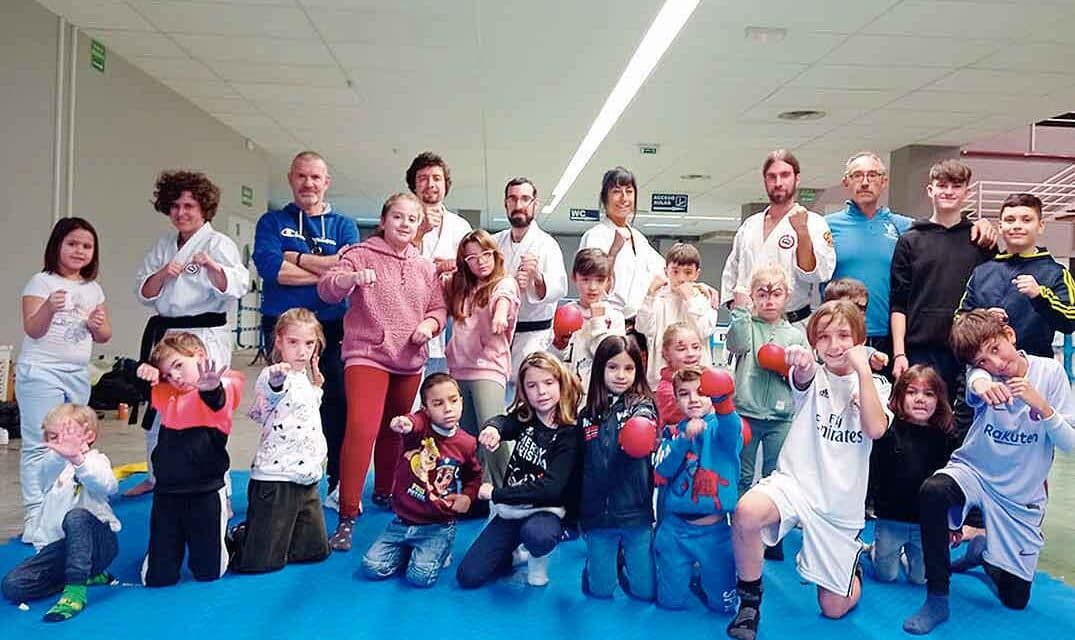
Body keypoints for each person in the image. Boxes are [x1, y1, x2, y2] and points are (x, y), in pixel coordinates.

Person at [727, 300, 891, 640]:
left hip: (838, 506)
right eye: (824, 337)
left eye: (844, 335)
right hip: (795, 484)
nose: (835, 345)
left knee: (833, 609)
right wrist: (801, 361)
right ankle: (749, 603)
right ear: (814, 343)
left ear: (860, 340)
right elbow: (802, 375)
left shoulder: (878, 386)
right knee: (746, 512)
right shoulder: (814, 377)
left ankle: (851, 570)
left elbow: (875, 429)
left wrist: (863, 372)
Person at [904, 310, 1075, 634]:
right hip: (976, 473)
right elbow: (974, 379)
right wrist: (981, 381)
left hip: (1020, 495)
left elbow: (1069, 443)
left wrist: (1043, 407)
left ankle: (982, 552)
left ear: (1009, 336)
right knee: (934, 491)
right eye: (983, 360)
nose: (995, 364)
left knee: (1015, 600)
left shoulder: (1051, 373)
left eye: (996, 350)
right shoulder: (982, 378)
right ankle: (937, 597)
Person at [317, 193, 447, 550]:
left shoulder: (424, 266)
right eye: (398, 217)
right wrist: (350, 279)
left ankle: (386, 492)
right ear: (384, 220)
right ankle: (347, 515)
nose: (405, 224)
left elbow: (439, 308)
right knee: (362, 428)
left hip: (409, 358)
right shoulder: (359, 253)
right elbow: (327, 288)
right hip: (367, 353)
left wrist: (431, 326)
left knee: (396, 429)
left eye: (412, 219)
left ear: (420, 224)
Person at [128, 170, 249, 497]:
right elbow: (143, 291)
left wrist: (212, 267)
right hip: (167, 335)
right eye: (176, 206)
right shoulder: (164, 246)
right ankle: (157, 474)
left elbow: (239, 284)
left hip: (205, 336)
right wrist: (164, 274)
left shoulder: (217, 243)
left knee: (202, 406)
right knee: (159, 404)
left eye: (189, 206)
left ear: (204, 208)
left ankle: (212, 480)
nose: (181, 213)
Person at [252, 151, 359, 508]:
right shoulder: (272, 221)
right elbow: (270, 268)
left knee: (336, 403)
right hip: (281, 326)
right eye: (302, 176)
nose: (308, 183)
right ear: (290, 179)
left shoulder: (344, 225)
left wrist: (293, 257)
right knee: (281, 401)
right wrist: (325, 268)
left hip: (331, 325)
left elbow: (344, 274)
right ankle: (278, 475)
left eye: (316, 177)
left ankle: (337, 482)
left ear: (327, 182)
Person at [827, 151, 994, 368]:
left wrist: (982, 224)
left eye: (872, 175)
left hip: (889, 338)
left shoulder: (905, 228)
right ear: (846, 181)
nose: (865, 182)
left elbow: (942, 229)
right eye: (857, 175)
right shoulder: (825, 226)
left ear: (884, 181)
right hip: (841, 335)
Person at [16, 217, 111, 545]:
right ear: (57, 245)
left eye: (86, 246)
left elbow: (104, 335)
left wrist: (97, 324)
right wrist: (48, 309)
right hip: (41, 371)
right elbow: (33, 329)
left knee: (76, 439)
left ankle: (67, 504)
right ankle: (35, 511)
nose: (79, 251)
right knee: (40, 442)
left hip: (78, 373)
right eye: (72, 243)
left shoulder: (93, 289)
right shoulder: (40, 282)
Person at [456, 353, 582, 589]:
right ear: (523, 390)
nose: (541, 392)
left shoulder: (569, 433)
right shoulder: (528, 417)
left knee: (537, 535)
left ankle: (537, 558)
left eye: (548, 383)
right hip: (513, 509)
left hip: (547, 511)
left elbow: (550, 489)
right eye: (532, 386)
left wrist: (496, 494)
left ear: (561, 383)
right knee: (469, 575)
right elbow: (506, 422)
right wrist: (493, 429)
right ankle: (517, 554)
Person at [136, 333, 244, 587]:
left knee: (209, 572)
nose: (175, 376)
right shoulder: (168, 394)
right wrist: (142, 371)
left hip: (205, 492)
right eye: (168, 373)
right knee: (156, 578)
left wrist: (211, 388)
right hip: (168, 493)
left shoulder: (222, 388)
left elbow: (218, 399)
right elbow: (144, 386)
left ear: (200, 356)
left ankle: (231, 539)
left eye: (179, 366)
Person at [229, 308, 330, 574]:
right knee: (261, 564)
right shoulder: (273, 375)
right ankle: (242, 536)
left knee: (315, 552)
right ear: (279, 342)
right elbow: (268, 403)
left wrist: (317, 387)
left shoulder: (304, 379)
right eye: (293, 342)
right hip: (276, 478)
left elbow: (302, 411)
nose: (302, 351)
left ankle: (267, 534)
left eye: (309, 343)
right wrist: (275, 383)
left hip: (306, 476)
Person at [362, 373, 481, 587]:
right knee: (372, 566)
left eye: (454, 400)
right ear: (426, 409)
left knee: (420, 578)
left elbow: (473, 476)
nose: (447, 408)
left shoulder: (467, 443)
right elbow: (413, 421)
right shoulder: (419, 430)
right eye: (438, 403)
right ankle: (412, 550)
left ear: (461, 401)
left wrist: (468, 497)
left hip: (439, 523)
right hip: (403, 520)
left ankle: (435, 548)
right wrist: (404, 422)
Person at [2, 405, 119, 622]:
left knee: (76, 517)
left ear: (89, 436)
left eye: (66, 436)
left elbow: (107, 486)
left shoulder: (96, 461)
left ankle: (75, 590)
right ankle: (85, 576)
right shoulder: (51, 468)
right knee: (13, 586)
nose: (60, 443)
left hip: (99, 547)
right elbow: (44, 474)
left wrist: (77, 459)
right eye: (53, 437)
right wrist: (62, 454)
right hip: (62, 551)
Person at [890, 159, 995, 397]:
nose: (948, 191)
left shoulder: (981, 241)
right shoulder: (910, 240)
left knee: (962, 424)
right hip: (920, 350)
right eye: (942, 185)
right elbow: (899, 303)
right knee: (920, 420)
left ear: (967, 193)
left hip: (968, 350)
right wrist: (899, 354)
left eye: (956, 186)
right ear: (931, 190)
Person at [654, 367, 743, 613]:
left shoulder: (721, 428)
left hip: (713, 532)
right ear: (676, 399)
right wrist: (683, 441)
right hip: (675, 529)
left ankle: (706, 581)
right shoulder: (672, 433)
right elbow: (661, 472)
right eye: (684, 393)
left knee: (724, 607)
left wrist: (722, 399)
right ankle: (685, 577)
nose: (693, 399)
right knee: (669, 603)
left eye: (700, 392)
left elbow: (731, 426)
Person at [725, 263, 807, 529]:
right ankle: (739, 527)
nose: (769, 300)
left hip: (780, 416)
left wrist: (787, 367)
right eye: (762, 294)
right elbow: (736, 345)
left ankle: (772, 530)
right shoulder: (747, 325)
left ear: (787, 297)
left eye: (776, 294)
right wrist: (739, 311)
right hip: (746, 411)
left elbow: (804, 376)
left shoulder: (795, 334)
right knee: (742, 475)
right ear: (753, 296)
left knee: (775, 476)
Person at [577, 335, 658, 601]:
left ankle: (624, 562)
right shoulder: (587, 414)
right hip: (598, 515)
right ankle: (596, 566)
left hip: (635, 512)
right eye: (613, 367)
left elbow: (646, 419)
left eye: (629, 368)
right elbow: (578, 463)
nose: (621, 375)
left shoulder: (642, 406)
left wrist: (642, 426)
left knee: (644, 592)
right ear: (600, 368)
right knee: (601, 591)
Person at [721, 149, 835, 326]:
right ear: (765, 180)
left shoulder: (814, 223)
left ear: (797, 179)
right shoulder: (750, 225)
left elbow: (817, 275)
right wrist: (733, 303)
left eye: (785, 175)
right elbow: (732, 269)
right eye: (772, 177)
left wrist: (802, 232)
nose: (778, 182)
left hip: (792, 322)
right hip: (749, 322)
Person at [866, 365, 956, 585]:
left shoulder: (945, 437)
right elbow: (873, 471)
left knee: (920, 580)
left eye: (928, 394)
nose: (920, 399)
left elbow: (953, 484)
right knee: (886, 576)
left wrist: (954, 522)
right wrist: (865, 504)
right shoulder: (888, 431)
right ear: (900, 396)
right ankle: (874, 550)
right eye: (912, 392)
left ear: (939, 400)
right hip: (891, 519)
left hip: (925, 523)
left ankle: (905, 555)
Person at [444, 229, 519, 487]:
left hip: (488, 367)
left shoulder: (504, 283)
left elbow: (504, 300)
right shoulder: (459, 287)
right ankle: (474, 488)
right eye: (472, 258)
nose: (480, 261)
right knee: (466, 437)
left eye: (485, 254)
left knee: (492, 431)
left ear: (495, 255)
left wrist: (500, 314)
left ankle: (508, 487)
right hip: (459, 368)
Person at [958, 192, 1075, 357]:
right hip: (985, 368)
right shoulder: (982, 272)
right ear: (1000, 226)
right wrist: (983, 319)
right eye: (1010, 220)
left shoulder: (1056, 273)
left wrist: (1040, 295)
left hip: (1034, 368)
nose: (1017, 226)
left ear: (1040, 226)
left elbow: (1070, 321)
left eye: (1026, 220)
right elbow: (959, 319)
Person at [578, 166, 667, 353]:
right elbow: (591, 284)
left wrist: (697, 286)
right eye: (616, 191)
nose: (624, 198)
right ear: (605, 198)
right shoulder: (596, 236)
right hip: (606, 325)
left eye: (629, 191)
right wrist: (613, 252)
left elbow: (666, 273)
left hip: (640, 328)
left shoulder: (638, 237)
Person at [493, 177, 567, 391]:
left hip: (534, 338)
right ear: (505, 203)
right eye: (513, 199)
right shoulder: (495, 242)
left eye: (525, 199)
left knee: (529, 397)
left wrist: (536, 277)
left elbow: (558, 289)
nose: (518, 205)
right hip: (498, 335)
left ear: (535, 203)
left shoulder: (547, 245)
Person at [408, 151, 471, 375]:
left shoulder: (460, 226)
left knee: (444, 387)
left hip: (449, 313)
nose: (430, 184)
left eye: (436, 178)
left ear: (446, 184)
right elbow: (394, 265)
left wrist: (456, 265)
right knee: (411, 390)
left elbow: (474, 269)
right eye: (423, 178)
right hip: (410, 310)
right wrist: (419, 233)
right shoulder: (403, 220)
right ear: (414, 186)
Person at [636, 242, 719, 388]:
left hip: (697, 379)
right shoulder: (657, 299)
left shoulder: (704, 299)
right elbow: (642, 328)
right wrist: (649, 295)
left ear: (696, 274)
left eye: (688, 272)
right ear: (666, 271)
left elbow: (705, 330)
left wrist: (691, 299)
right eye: (675, 271)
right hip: (660, 379)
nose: (681, 278)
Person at [555, 248, 625, 395]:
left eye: (599, 280)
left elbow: (609, 359)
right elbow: (556, 360)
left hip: (602, 393)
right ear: (574, 277)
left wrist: (598, 321)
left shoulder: (615, 317)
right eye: (585, 279)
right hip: (569, 392)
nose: (592, 287)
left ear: (608, 281)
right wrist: (559, 342)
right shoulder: (566, 312)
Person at [654, 323, 707, 428]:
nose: (691, 353)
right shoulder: (666, 390)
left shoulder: (706, 378)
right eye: (681, 349)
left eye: (696, 347)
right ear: (666, 354)